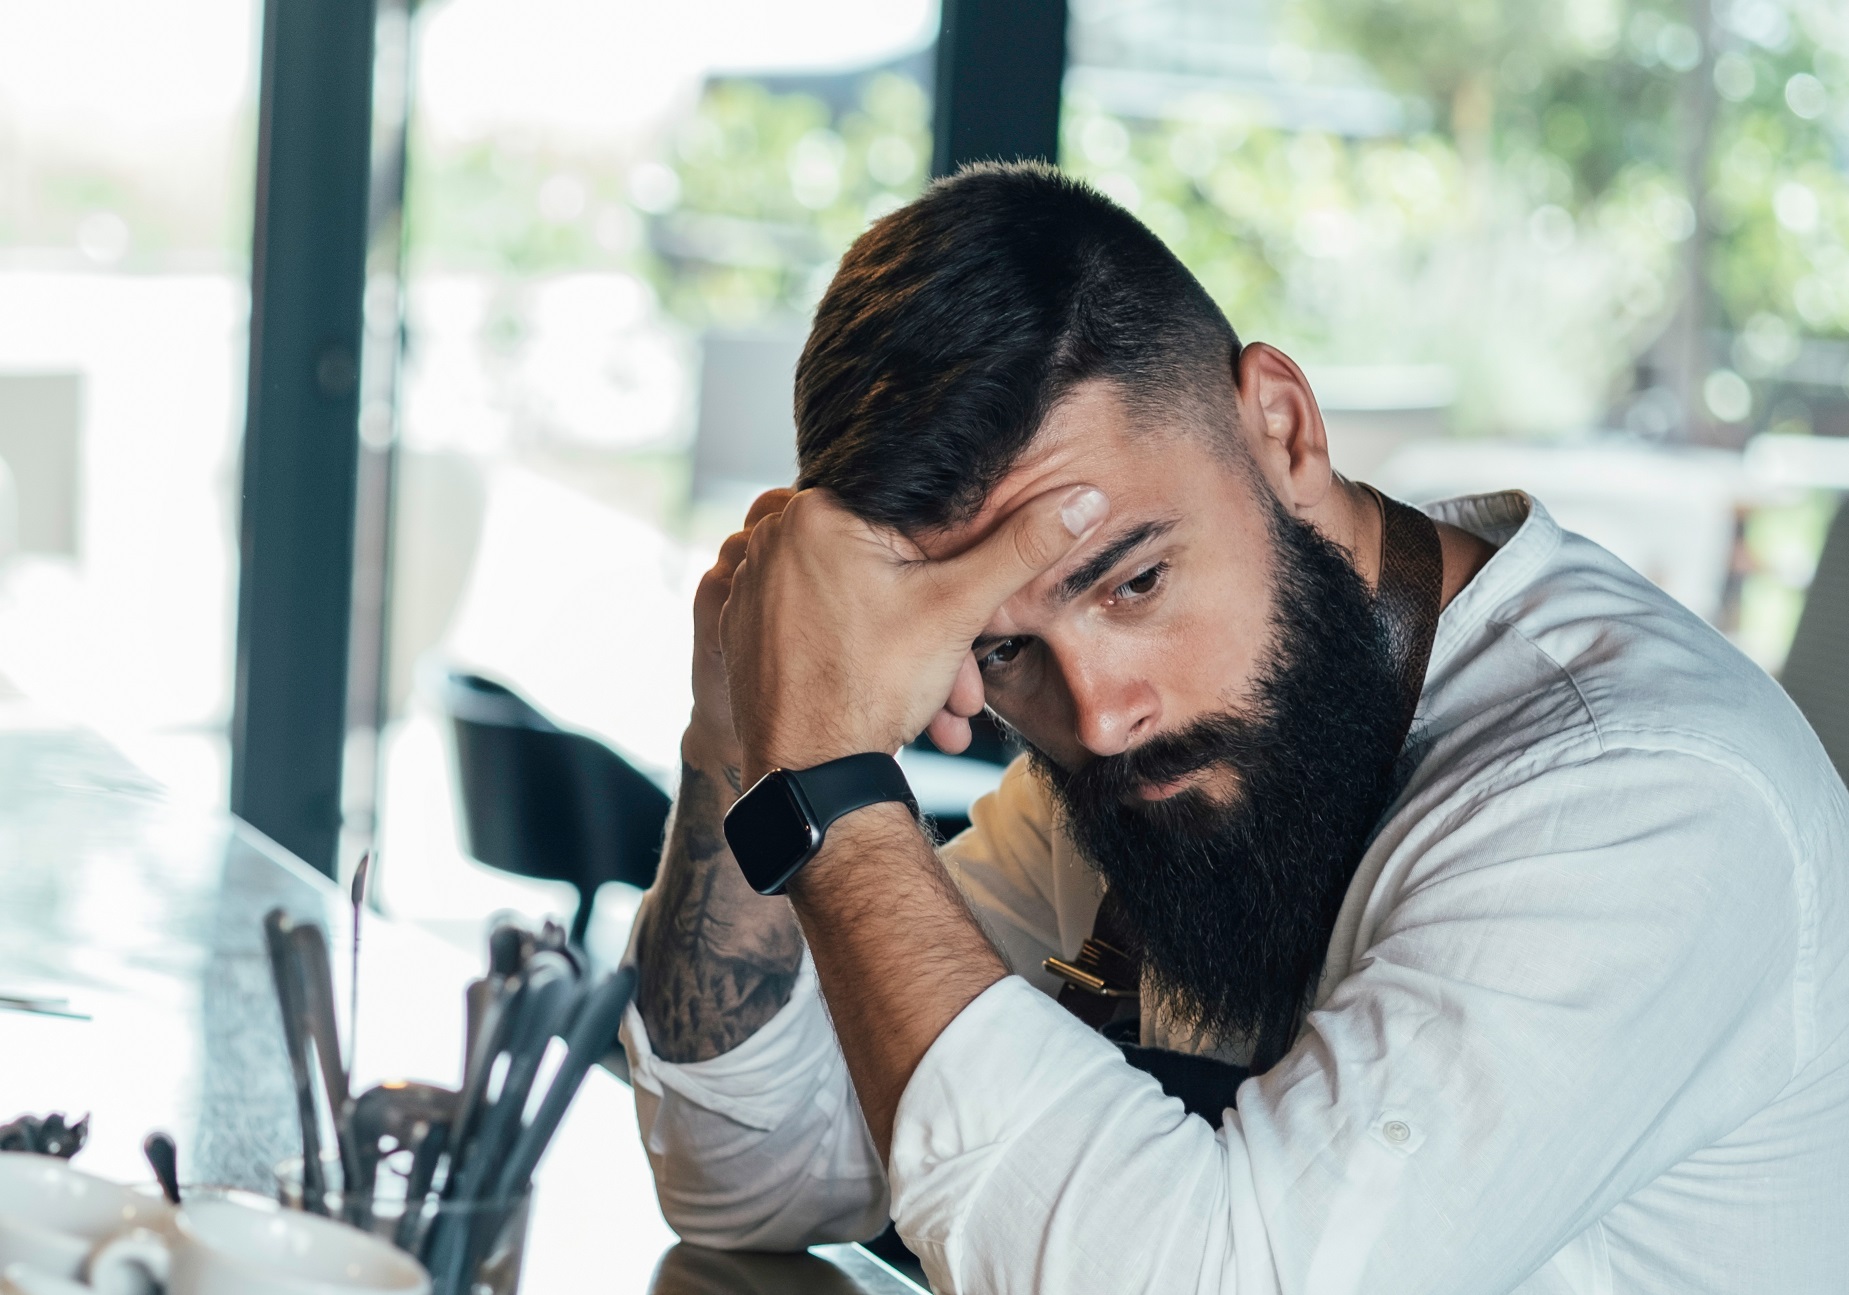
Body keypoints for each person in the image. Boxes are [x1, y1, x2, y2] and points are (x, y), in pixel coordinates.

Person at [619, 163, 1849, 1294]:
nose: (1098, 711)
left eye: (1134, 580)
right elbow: (744, 1178)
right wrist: (740, 725)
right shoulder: (1158, 767)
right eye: (999, 646)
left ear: (1282, 427)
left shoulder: (1638, 798)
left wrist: (834, 788)